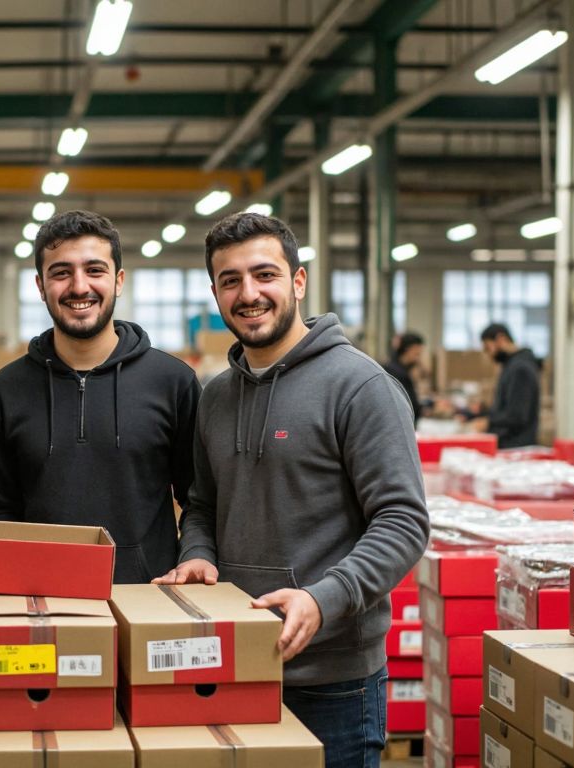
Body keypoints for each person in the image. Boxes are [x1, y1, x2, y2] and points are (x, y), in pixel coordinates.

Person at [154, 212, 428, 768]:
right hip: (231, 662)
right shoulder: (215, 396)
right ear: (215, 292)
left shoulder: (361, 387)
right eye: (230, 281)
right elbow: (202, 505)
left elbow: (403, 521)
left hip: (333, 683)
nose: (248, 293)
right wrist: (199, 555)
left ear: (297, 282)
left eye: (265, 275)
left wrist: (322, 599)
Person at [0, 210, 199, 582]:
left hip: (148, 597)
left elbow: (199, 500)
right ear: (40, 285)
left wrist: (193, 555)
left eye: (94, 271)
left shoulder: (173, 382)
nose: (79, 287)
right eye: (61, 272)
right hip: (38, 597)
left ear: (118, 280)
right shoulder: (5, 390)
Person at [478, 323, 541, 448]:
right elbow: (506, 407)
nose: (488, 354)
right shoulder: (511, 365)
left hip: (516, 446)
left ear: (501, 339)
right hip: (509, 444)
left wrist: (487, 422)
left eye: (488, 348)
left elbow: (517, 416)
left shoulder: (521, 368)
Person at [383, 332, 425, 424]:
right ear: (408, 350)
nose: (418, 359)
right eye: (416, 354)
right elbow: (411, 406)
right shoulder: (398, 373)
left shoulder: (395, 369)